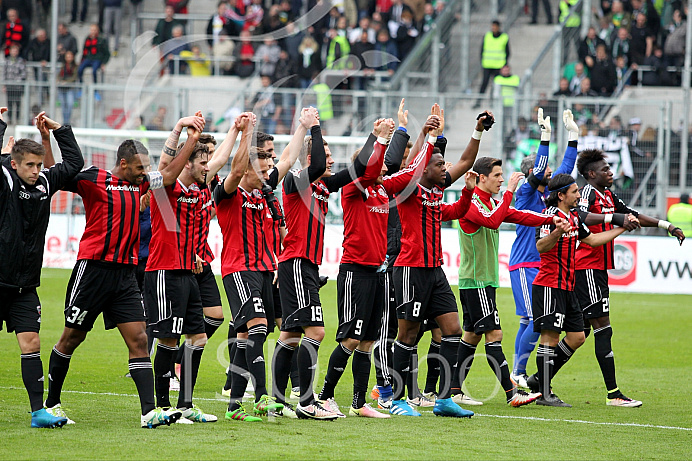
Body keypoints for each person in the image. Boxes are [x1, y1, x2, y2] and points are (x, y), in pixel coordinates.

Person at [45, 114, 205, 428]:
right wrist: (48, 137)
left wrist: (191, 140)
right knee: (71, 337)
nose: (145, 172)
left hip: (125, 277)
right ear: (123, 163)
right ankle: (51, 403)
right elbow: (59, 175)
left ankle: (148, 413)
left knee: (139, 340)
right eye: (140, 167)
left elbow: (170, 174)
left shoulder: (143, 183)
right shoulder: (94, 178)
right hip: (93, 271)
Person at [270, 107, 381, 420]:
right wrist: (314, 129)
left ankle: (277, 402)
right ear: (310, 157)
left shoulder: (321, 187)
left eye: (331, 156)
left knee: (290, 334)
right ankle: (306, 402)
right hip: (296, 263)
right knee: (315, 331)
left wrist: (374, 136)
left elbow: (357, 171)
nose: (330, 161)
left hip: (305, 266)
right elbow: (318, 163)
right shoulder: (295, 182)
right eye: (327, 155)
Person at [388, 106, 486, 418]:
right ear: (424, 168)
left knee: (453, 329)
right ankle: (397, 398)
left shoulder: (436, 192)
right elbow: (413, 166)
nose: (445, 168)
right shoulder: (409, 189)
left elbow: (468, 163)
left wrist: (478, 130)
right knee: (408, 335)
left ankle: (444, 399)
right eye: (439, 164)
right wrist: (427, 136)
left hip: (435, 271)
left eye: (445, 164)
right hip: (410, 270)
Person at [567, 149, 685, 407]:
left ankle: (536, 382)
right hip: (586, 267)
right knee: (603, 328)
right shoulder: (587, 193)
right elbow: (581, 218)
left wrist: (667, 226)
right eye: (606, 170)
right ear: (592, 174)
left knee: (580, 333)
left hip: (598, 269)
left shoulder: (607, 195)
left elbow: (633, 215)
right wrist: (615, 218)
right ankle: (614, 395)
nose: (611, 173)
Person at [218, 111, 310, 422]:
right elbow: (235, 167)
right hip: (238, 269)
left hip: (263, 269)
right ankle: (261, 398)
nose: (269, 173)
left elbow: (286, 159)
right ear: (247, 170)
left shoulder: (262, 191)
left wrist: (301, 126)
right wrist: (245, 132)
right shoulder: (229, 192)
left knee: (248, 335)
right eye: (263, 168)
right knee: (257, 327)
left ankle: (233, 406)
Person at [452, 148, 558, 407]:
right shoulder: (474, 203)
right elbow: (492, 221)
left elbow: (520, 216)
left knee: (472, 335)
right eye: (497, 175)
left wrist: (552, 218)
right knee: (495, 334)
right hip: (477, 281)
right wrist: (510, 191)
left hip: (480, 281)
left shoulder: (490, 203)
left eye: (502, 176)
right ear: (481, 178)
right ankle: (513, 393)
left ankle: (453, 390)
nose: (501, 179)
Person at [1, 110, 84, 428]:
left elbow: (74, 164)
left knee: (31, 344)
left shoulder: (46, 183)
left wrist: (59, 130)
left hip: (24, 286)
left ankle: (38, 413)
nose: (36, 171)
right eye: (29, 166)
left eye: (39, 165)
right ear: (14, 164)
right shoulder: (5, 180)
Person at [315, 117, 397, 419]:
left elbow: (408, 170)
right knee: (350, 338)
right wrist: (380, 139)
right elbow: (371, 168)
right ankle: (325, 397)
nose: (384, 165)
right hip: (354, 271)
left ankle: (359, 403)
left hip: (377, 273)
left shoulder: (381, 191)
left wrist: (424, 138)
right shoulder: (353, 187)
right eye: (379, 161)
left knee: (368, 341)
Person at [142, 113, 220, 424]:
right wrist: (182, 132)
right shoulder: (167, 190)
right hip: (164, 271)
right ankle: (163, 406)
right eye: (203, 162)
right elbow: (165, 167)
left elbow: (223, 159)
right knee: (168, 340)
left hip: (188, 273)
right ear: (188, 162)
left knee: (197, 338)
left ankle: (186, 404)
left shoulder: (200, 191)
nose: (208, 166)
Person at [528, 173, 628, 407]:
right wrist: (557, 232)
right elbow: (540, 247)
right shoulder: (550, 216)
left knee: (577, 337)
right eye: (574, 191)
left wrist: (621, 227)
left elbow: (591, 240)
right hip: (549, 285)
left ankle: (539, 381)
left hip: (569, 286)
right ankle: (544, 393)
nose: (578, 194)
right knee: (549, 337)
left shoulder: (573, 216)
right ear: (561, 195)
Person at [509, 109, 580, 388]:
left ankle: (519, 370)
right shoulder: (526, 194)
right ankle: (518, 371)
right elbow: (540, 169)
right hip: (525, 263)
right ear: (531, 173)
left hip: (543, 266)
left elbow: (567, 170)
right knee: (531, 319)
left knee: (531, 320)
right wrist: (545, 136)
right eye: (545, 172)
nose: (550, 175)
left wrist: (573, 136)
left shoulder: (550, 197)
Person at [474, 20, 509, 108]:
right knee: (484, 83)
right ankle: (479, 101)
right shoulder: (487, 36)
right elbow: (482, 50)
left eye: (495, 26)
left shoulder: (504, 37)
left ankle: (493, 101)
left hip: (498, 65)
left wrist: (504, 63)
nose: (493, 28)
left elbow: (507, 52)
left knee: (495, 85)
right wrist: (482, 61)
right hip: (487, 65)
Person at [2, 44, 26, 125]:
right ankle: (10, 119)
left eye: (16, 51)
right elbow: (4, 73)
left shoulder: (20, 61)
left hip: (17, 86)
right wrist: (4, 84)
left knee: (17, 102)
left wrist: (16, 80)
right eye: (13, 50)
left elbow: (23, 73)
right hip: (9, 85)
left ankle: (17, 119)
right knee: (9, 103)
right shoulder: (7, 61)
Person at [26, 29, 51, 104]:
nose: (44, 37)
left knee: (45, 78)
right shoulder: (33, 42)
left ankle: (47, 93)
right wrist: (27, 60)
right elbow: (27, 51)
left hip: (45, 65)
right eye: (42, 36)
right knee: (38, 79)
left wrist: (46, 60)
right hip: (36, 65)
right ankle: (41, 98)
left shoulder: (48, 42)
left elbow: (49, 52)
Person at [57, 51, 79, 125]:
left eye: (70, 56)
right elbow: (59, 75)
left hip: (70, 88)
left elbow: (74, 77)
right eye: (67, 56)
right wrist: (60, 80)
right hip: (62, 88)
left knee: (69, 104)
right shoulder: (63, 66)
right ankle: (65, 121)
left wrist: (66, 82)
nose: (68, 58)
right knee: (63, 105)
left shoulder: (75, 66)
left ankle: (67, 121)